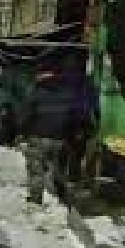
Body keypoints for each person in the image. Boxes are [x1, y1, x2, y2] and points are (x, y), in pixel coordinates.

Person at [21, 65, 77, 207]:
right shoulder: (67, 93)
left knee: (36, 169)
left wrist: (22, 132)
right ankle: (61, 197)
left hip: (38, 137)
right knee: (58, 170)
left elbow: (26, 115)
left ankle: (35, 198)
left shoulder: (36, 92)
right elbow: (72, 117)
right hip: (60, 139)